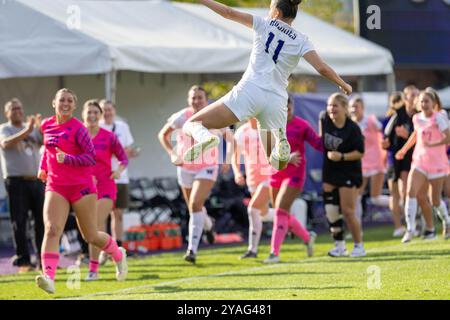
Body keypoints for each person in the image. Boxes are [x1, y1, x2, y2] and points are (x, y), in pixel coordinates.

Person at [182, 0, 352, 174]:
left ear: (276, 12)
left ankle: (206, 138)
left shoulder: (264, 23)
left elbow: (228, 12)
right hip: (276, 101)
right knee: (276, 162)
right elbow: (321, 67)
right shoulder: (302, 40)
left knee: (193, 123)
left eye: (270, 7)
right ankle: (282, 146)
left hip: (250, 92)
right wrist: (343, 84)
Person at [35, 89, 127, 294]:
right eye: (62, 100)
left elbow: (90, 157)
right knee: (51, 228)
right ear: (54, 103)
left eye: (69, 100)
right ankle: (49, 277)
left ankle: (118, 255)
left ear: (74, 105)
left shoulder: (79, 129)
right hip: (56, 185)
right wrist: (43, 167)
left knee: (91, 235)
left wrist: (67, 159)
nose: (65, 103)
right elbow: (48, 150)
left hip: (82, 187)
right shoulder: (46, 125)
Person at [158, 86, 231, 264]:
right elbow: (162, 135)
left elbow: (230, 138)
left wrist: (227, 159)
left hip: (207, 166)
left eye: (200, 98)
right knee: (194, 207)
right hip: (185, 166)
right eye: (193, 98)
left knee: (195, 203)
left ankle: (192, 249)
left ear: (207, 100)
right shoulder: (182, 116)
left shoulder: (215, 115)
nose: (196, 101)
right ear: (188, 100)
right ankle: (208, 224)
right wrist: (173, 154)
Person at [264, 96, 322, 263]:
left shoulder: (302, 125)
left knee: (281, 211)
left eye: (289, 108)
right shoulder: (271, 125)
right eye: (283, 108)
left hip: (295, 174)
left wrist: (324, 126)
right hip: (275, 172)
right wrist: (286, 158)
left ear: (293, 107)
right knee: (281, 213)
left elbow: (319, 144)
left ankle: (274, 253)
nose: (286, 111)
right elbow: (268, 154)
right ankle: (307, 237)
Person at [82, 100, 128, 281]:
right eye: (89, 112)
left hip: (106, 186)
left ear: (100, 116)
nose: (92, 115)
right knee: (92, 231)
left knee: (92, 225)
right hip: (84, 188)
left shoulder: (108, 136)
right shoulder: (78, 135)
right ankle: (117, 253)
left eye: (96, 112)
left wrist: (118, 171)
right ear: (83, 115)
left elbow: (123, 158)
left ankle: (93, 270)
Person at [395, 90, 450, 243]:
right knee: (410, 192)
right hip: (419, 161)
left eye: (427, 101)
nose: (424, 104)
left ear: (433, 103)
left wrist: (433, 143)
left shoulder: (439, 118)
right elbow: (415, 135)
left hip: (437, 163)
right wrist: (404, 149)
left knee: (435, 200)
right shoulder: (416, 118)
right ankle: (410, 229)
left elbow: (448, 138)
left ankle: (447, 220)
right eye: (422, 101)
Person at [0, 98, 45, 273]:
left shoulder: (31, 127)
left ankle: (43, 260)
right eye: (14, 109)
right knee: (19, 222)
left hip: (36, 180)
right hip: (16, 181)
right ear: (7, 113)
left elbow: (44, 143)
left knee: (41, 222)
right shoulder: (5, 128)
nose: (18, 111)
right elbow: (5, 143)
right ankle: (24, 260)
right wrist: (28, 130)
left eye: (20, 108)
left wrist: (41, 130)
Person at [319, 93, 366, 257]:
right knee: (331, 210)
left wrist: (342, 156)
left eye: (335, 106)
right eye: (329, 105)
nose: (331, 109)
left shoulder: (353, 128)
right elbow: (321, 139)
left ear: (345, 108)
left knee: (348, 211)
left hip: (349, 170)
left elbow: (360, 152)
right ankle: (339, 246)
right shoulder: (324, 118)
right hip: (330, 170)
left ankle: (359, 246)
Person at [99, 100, 139, 263]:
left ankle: (118, 246)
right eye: (104, 110)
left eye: (109, 109)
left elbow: (129, 149)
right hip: (103, 177)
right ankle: (103, 248)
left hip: (121, 176)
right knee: (101, 215)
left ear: (114, 111)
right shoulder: (97, 127)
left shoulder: (122, 126)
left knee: (118, 213)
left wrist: (123, 152)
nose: (107, 112)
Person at [231, 117, 274, 259]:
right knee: (263, 213)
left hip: (269, 175)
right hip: (252, 177)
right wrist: (237, 173)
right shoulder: (241, 132)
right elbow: (235, 156)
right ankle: (292, 222)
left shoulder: (269, 127)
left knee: (252, 209)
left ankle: (252, 250)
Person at [383, 86, 420, 237]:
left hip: (413, 158)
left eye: (417, 95)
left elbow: (420, 136)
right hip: (395, 158)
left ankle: (413, 224)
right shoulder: (398, 114)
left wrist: (408, 135)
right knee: (395, 194)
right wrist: (386, 142)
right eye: (412, 95)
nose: (416, 98)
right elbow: (386, 135)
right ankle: (398, 227)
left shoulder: (420, 115)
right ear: (405, 98)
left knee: (407, 192)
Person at [349, 96, 389, 222]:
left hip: (377, 162)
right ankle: (357, 228)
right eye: (352, 106)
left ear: (363, 108)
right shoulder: (350, 125)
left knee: (375, 197)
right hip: (360, 163)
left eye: (357, 106)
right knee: (356, 197)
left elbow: (385, 131)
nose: (354, 109)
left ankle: (401, 205)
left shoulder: (371, 121)